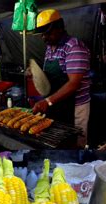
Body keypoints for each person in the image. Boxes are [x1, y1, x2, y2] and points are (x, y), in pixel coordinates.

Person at [31, 9, 91, 148]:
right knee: (59, 142)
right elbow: (50, 76)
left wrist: (48, 101)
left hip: (75, 106)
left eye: (48, 33)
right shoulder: (50, 48)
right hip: (58, 104)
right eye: (42, 34)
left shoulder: (73, 47)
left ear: (60, 28)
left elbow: (74, 83)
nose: (44, 38)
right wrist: (36, 73)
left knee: (75, 144)